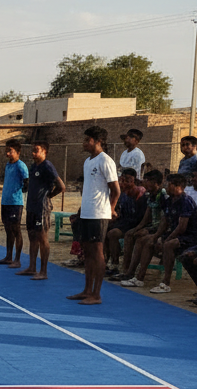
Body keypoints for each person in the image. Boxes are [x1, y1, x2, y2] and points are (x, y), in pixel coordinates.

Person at [122, 173, 197, 293]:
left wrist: (167, 238)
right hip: (174, 233)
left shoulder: (186, 201)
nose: (166, 187)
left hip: (189, 236)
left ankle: (165, 283)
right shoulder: (169, 200)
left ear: (178, 186)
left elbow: (182, 227)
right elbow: (164, 221)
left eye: (168, 185)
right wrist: (156, 236)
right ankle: (138, 278)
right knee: (147, 241)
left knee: (168, 245)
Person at [68, 126, 119, 305]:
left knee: (97, 252)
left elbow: (116, 190)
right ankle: (86, 290)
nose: (84, 143)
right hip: (87, 212)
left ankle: (96, 294)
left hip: (99, 213)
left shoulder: (105, 161)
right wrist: (82, 209)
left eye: (87, 140)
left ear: (98, 141)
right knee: (88, 252)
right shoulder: (88, 161)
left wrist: (111, 209)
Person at [17, 141, 63, 279]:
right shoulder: (33, 166)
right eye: (32, 150)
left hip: (41, 209)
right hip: (31, 206)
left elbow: (61, 186)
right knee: (32, 237)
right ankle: (32, 267)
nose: (33, 153)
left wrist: (49, 195)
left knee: (42, 237)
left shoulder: (47, 166)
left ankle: (43, 271)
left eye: (36, 150)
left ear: (44, 151)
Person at [112, 169, 167, 283]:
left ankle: (138, 275)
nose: (144, 183)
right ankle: (126, 271)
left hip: (162, 228)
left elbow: (165, 220)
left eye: (147, 181)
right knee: (129, 234)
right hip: (152, 226)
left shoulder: (163, 196)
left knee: (141, 239)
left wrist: (156, 234)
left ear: (155, 182)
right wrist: (136, 229)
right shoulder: (150, 195)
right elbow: (146, 217)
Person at [105, 168, 147, 276]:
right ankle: (107, 262)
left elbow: (142, 215)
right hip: (124, 221)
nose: (125, 183)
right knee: (104, 229)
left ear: (134, 180)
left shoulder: (139, 192)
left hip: (134, 223)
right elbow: (118, 209)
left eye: (128, 180)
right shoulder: (121, 193)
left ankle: (120, 266)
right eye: (123, 180)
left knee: (113, 233)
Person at [0, 139, 28, 268]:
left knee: (16, 230)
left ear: (18, 152)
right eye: (6, 151)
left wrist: (24, 188)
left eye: (10, 151)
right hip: (5, 202)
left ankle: (17, 259)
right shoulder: (8, 165)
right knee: (8, 230)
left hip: (15, 203)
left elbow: (26, 181)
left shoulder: (21, 165)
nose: (7, 153)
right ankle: (8, 256)